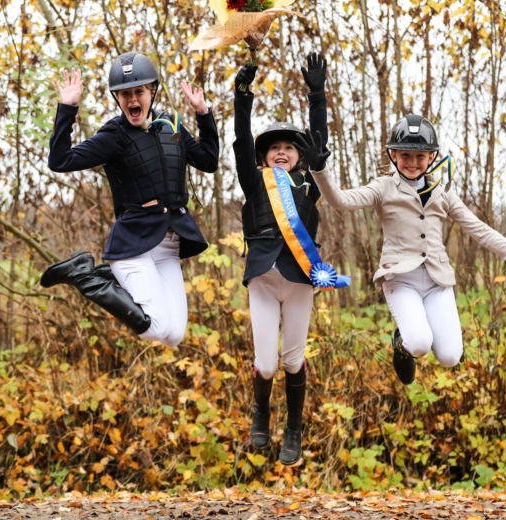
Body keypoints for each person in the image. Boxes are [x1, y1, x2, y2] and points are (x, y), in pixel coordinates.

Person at [294, 114, 506, 385]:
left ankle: (429, 339)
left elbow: (478, 229)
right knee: (419, 342)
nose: (412, 162)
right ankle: (402, 344)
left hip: (437, 281)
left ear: (432, 157)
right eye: (405, 155)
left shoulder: (442, 191)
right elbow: (340, 201)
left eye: (420, 156)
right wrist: (319, 169)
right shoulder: (383, 187)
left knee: (451, 357)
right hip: (401, 279)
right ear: (393, 154)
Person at [39, 52, 220, 346]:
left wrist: (203, 114)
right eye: (124, 94)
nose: (132, 99)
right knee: (157, 329)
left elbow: (209, 161)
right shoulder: (115, 136)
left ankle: (104, 276)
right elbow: (60, 160)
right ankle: (84, 276)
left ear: (153, 92)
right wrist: (67, 108)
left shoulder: (171, 126)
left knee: (174, 336)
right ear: (117, 98)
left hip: (168, 245)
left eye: (138, 91)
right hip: (133, 246)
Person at [233, 53, 330, 465]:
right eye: (274, 147)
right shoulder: (254, 181)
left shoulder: (310, 183)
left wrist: (316, 94)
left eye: (289, 148)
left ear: (299, 157)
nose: (281, 152)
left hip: (299, 283)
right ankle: (260, 413)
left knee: (292, 360)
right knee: (266, 364)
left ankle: (293, 428)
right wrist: (242, 96)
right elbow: (241, 140)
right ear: (263, 157)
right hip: (263, 281)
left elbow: (320, 146)